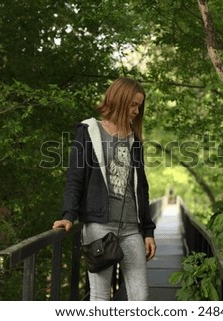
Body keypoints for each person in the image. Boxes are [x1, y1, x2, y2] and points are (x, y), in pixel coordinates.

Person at [52, 77, 156, 301]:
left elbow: (141, 187)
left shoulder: (134, 141)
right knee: (100, 298)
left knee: (141, 296)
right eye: (133, 104)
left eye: (139, 105)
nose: (137, 111)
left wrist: (148, 231)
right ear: (119, 100)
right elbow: (75, 177)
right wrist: (68, 215)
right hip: (99, 226)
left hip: (131, 229)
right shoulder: (89, 130)